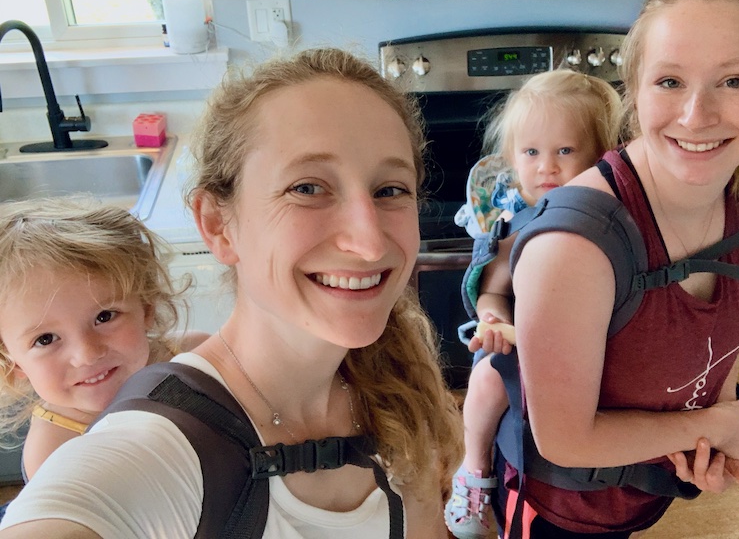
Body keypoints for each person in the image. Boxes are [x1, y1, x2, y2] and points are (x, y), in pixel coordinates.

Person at [0, 47, 464, 538]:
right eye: (306, 188)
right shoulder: (159, 448)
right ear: (218, 224)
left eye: (390, 190)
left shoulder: (396, 391)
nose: (369, 244)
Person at [493, 0, 739, 538]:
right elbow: (562, 437)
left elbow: (719, 337)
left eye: (734, 81)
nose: (696, 115)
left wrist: (717, 426)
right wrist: (710, 425)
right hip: (564, 513)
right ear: (634, 90)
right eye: (669, 81)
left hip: (640, 496)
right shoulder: (575, 245)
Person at [444, 70, 623, 539]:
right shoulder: (520, 218)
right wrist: (493, 320)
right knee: (485, 381)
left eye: (565, 151)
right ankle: (474, 470)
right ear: (512, 158)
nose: (547, 167)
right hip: (519, 348)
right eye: (531, 153)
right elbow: (493, 291)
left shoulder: (606, 218)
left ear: (600, 154)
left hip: (589, 349)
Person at [0, 197, 209, 485]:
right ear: (13, 363)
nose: (87, 354)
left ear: (146, 307)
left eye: (104, 316)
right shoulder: (54, 452)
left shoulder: (196, 358)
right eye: (45, 339)